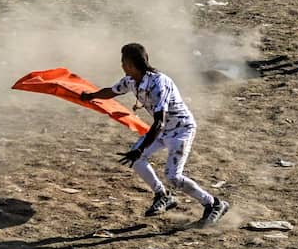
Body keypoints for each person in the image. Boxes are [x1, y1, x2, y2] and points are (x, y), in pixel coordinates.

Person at [80, 43, 230, 227]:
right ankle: (163, 195)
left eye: (123, 62)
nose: (121, 66)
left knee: (173, 176)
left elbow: (159, 122)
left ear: (130, 64)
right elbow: (111, 91)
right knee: (137, 159)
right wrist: (90, 96)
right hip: (163, 129)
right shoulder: (131, 80)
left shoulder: (159, 83)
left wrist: (141, 148)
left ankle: (214, 204)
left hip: (181, 129)